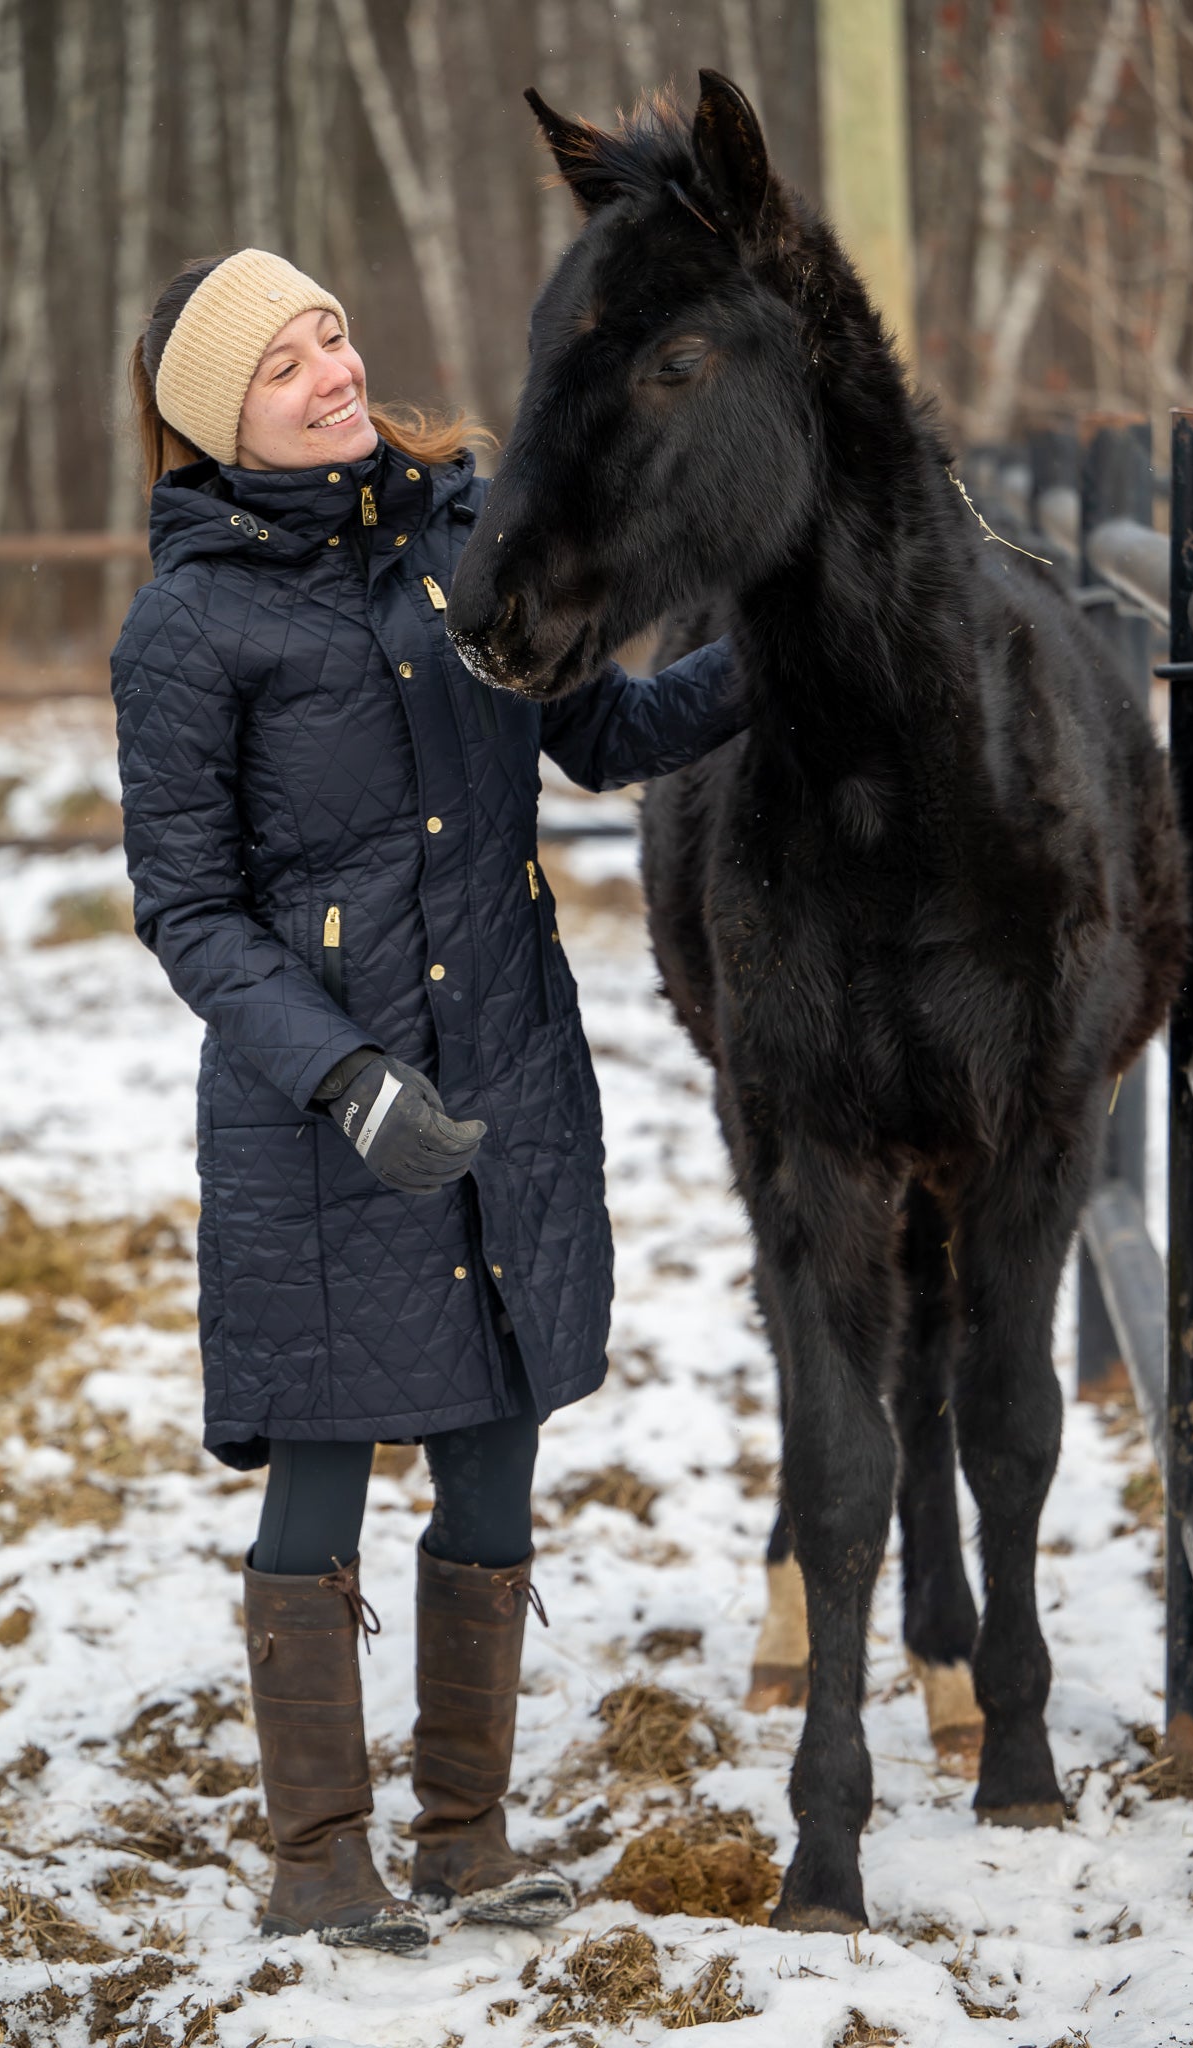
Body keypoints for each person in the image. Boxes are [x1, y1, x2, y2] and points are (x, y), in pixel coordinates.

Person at [111, 249, 743, 1955]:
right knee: (318, 1473)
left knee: (492, 1449)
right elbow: (187, 907)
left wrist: (778, 642)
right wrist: (335, 1073)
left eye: (330, 328)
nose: (328, 364)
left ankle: (465, 1836)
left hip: (508, 1076)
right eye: (280, 362)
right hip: (318, 1110)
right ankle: (321, 1857)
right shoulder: (189, 626)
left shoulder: (468, 542)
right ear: (215, 426)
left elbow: (600, 732)